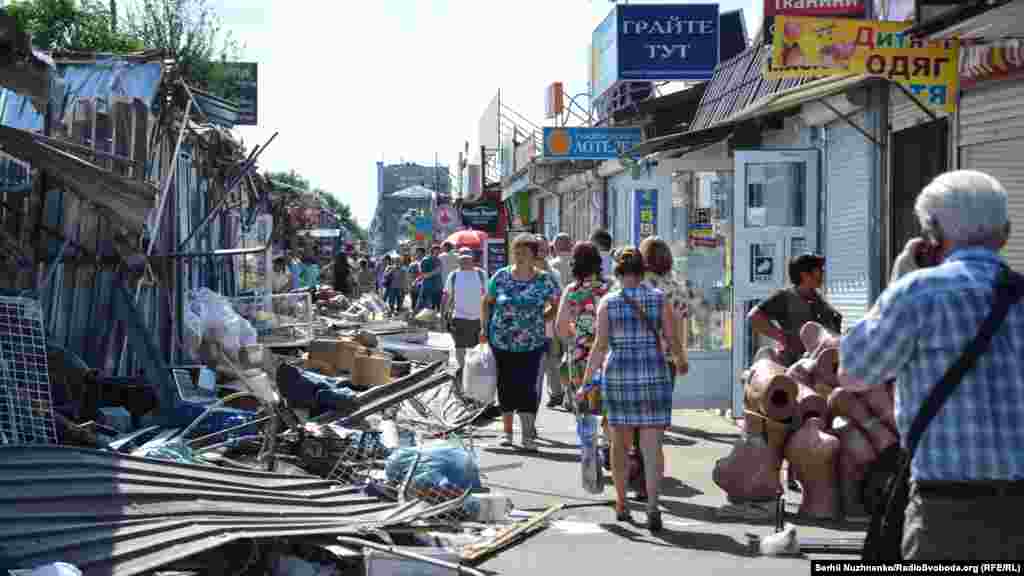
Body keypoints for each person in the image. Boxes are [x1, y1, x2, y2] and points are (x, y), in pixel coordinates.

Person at [838, 170, 1024, 561]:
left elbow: (853, 370)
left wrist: (898, 280)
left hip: (946, 511)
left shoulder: (918, 293)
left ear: (933, 236)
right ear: (1005, 233)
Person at [582, 247, 679, 531]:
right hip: (653, 375)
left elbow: (600, 346)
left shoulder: (608, 303)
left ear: (618, 273)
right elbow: (671, 338)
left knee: (620, 446)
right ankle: (652, 506)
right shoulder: (659, 299)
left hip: (619, 376)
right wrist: (680, 359)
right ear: (643, 271)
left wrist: (587, 382)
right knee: (652, 448)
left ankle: (622, 503)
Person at [480, 233, 560, 451]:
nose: (519, 256)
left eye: (524, 252)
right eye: (516, 252)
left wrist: (544, 318)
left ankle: (527, 436)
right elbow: (487, 302)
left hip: (532, 342)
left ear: (534, 255)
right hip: (501, 340)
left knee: (527, 387)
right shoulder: (501, 276)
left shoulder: (544, 279)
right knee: (505, 385)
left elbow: (557, 303)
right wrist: (483, 328)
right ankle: (507, 434)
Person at [556, 240, 614, 450]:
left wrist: (576, 336)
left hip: (580, 356)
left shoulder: (571, 290)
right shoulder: (610, 287)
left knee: (584, 407)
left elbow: (560, 327)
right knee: (609, 404)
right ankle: (609, 443)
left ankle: (589, 450)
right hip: (608, 354)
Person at [747, 253, 842, 367]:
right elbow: (754, 317)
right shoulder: (785, 297)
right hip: (798, 367)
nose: (822, 273)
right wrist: (782, 337)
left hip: (826, 364)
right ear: (805, 275)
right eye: (819, 270)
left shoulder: (818, 299)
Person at [639, 236, 690, 377]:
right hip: (665, 360)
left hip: (636, 357)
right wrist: (681, 357)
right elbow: (679, 328)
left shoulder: (634, 285)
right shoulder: (676, 289)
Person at [443, 248, 488, 376]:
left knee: (477, 346)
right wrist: (444, 314)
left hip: (478, 317)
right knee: (460, 345)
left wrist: (488, 315)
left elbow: (487, 295)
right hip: (459, 316)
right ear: (458, 261)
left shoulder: (481, 274)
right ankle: (463, 368)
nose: (465, 262)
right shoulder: (454, 275)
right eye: (462, 260)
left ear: (472, 260)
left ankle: (474, 368)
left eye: (467, 259)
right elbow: (446, 296)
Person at [534, 235, 565, 408]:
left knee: (551, 360)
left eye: (545, 247)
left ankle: (557, 392)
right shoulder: (523, 270)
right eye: (540, 247)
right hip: (527, 326)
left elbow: (559, 295)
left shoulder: (553, 272)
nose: (544, 251)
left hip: (549, 323)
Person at [417, 245, 444, 311]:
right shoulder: (426, 260)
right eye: (436, 251)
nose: (438, 252)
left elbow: (439, 273)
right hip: (428, 288)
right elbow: (423, 275)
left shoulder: (438, 260)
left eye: (439, 251)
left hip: (438, 287)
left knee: (437, 308)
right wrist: (435, 272)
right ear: (432, 251)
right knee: (426, 308)